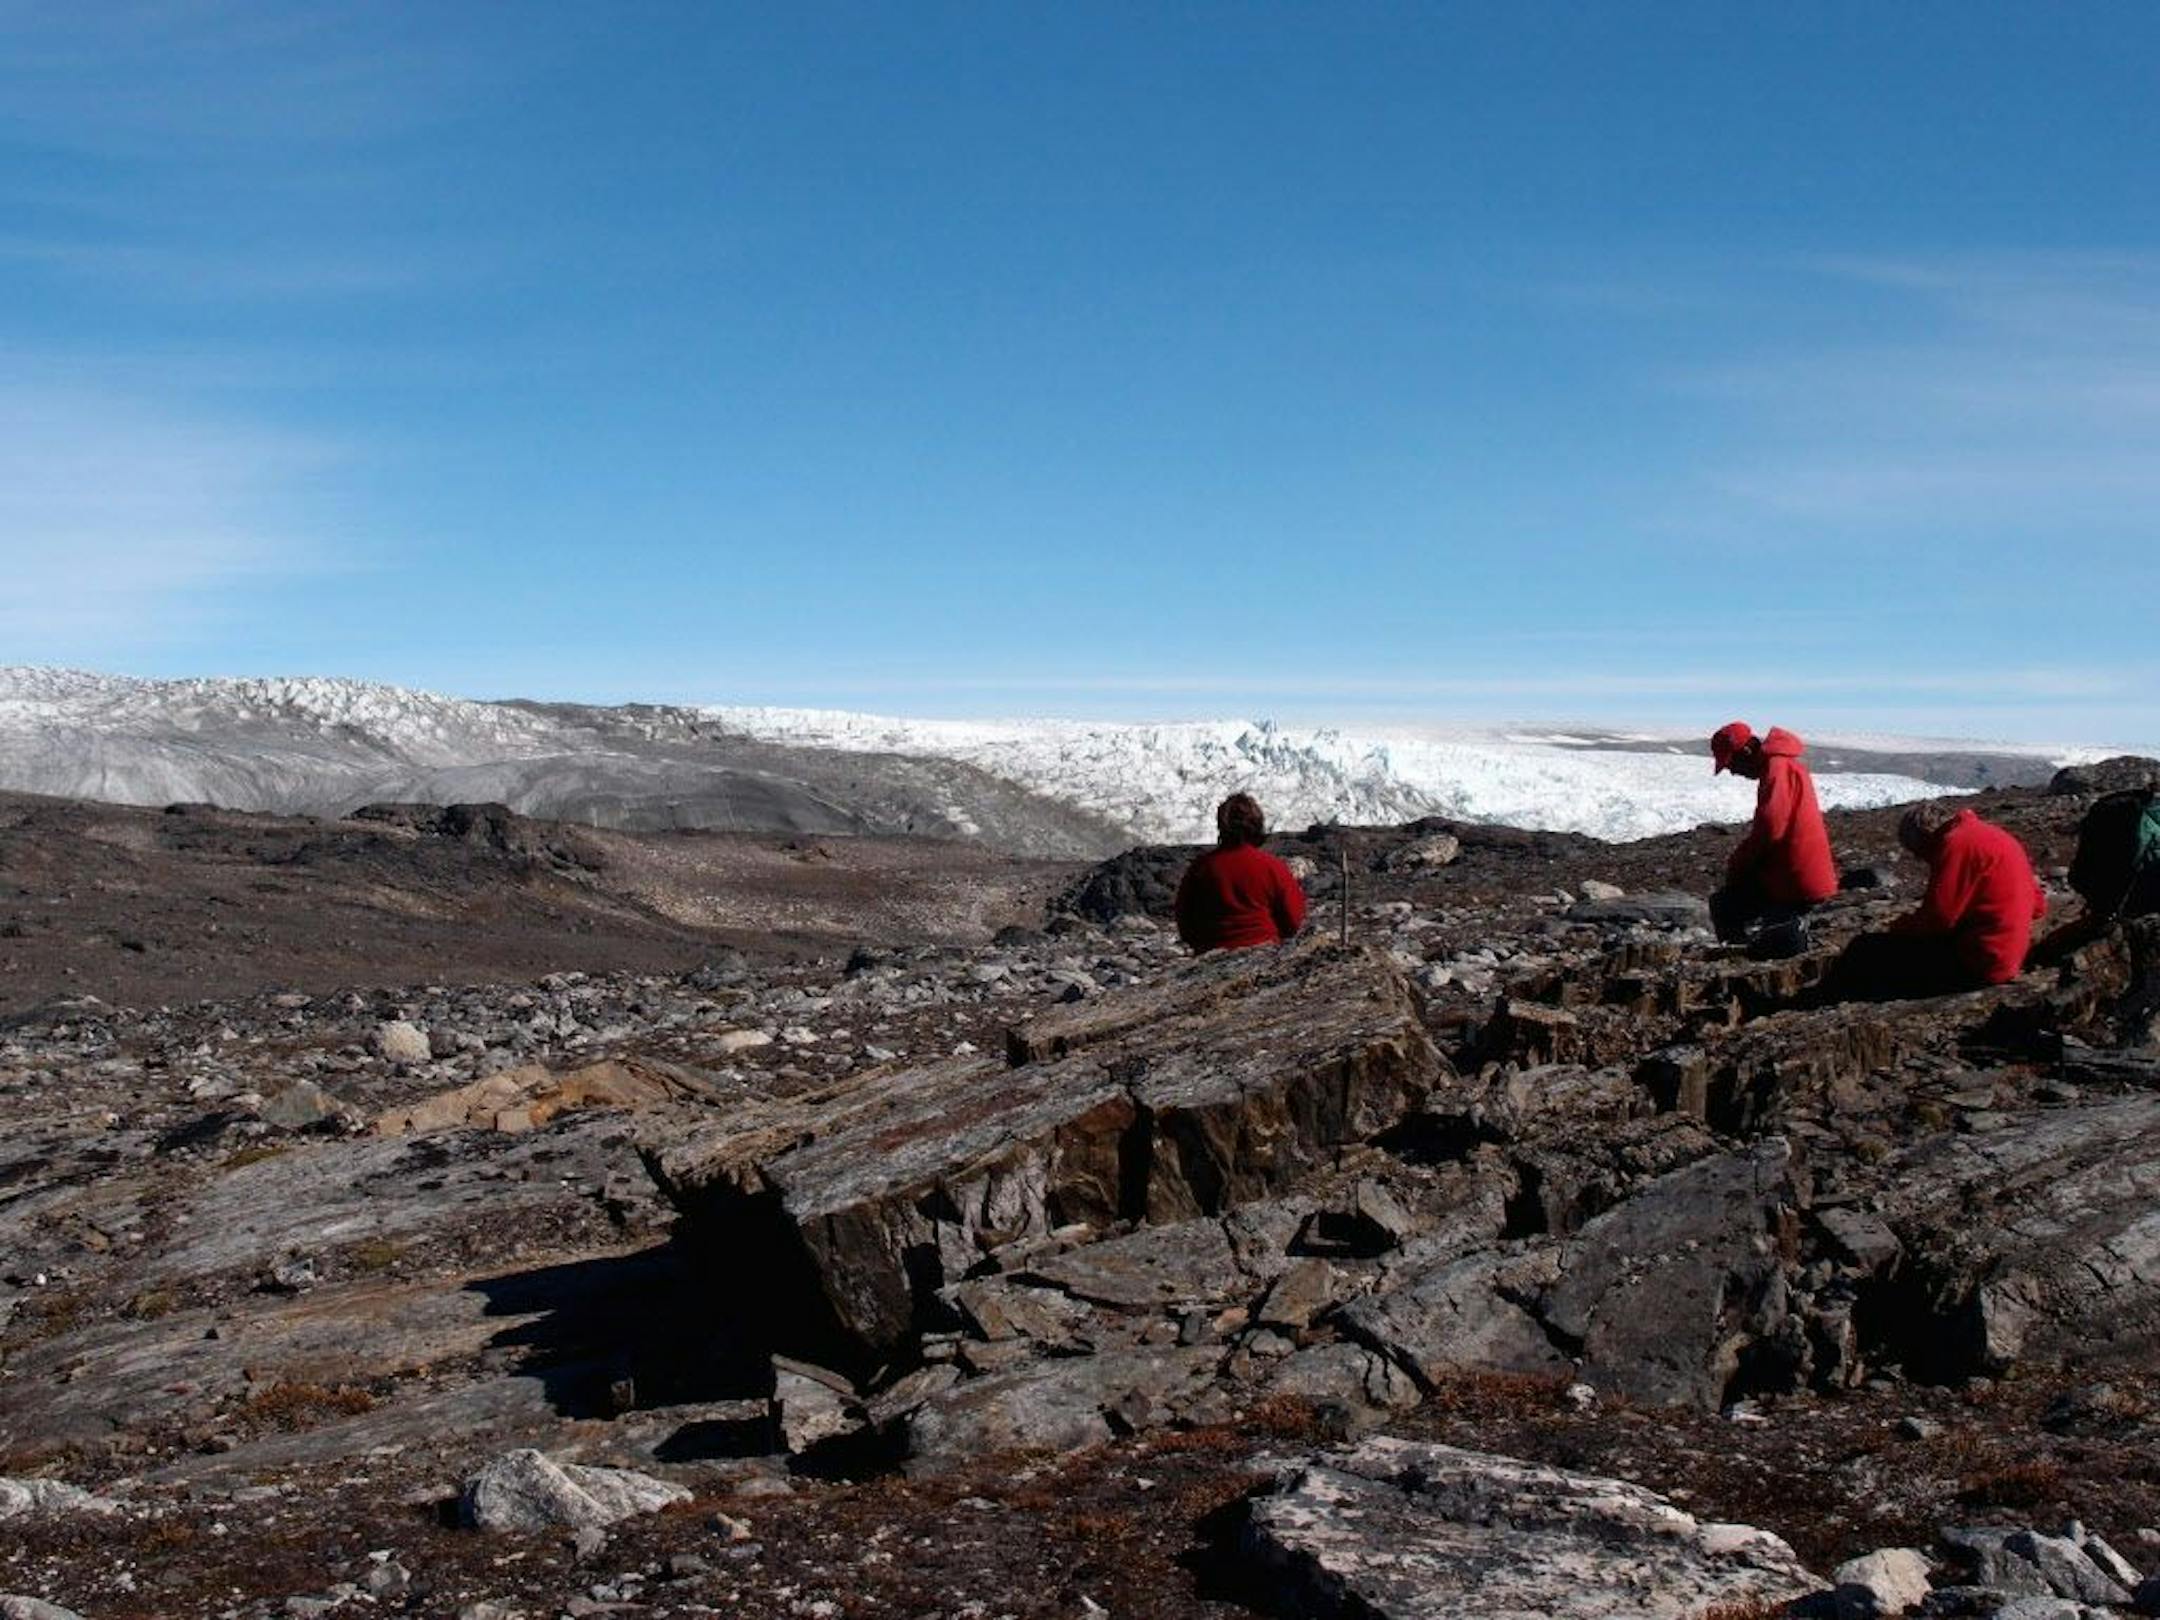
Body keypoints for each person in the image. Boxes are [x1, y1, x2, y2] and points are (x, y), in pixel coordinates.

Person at [1822, 800, 2047, 999]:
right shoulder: (1995, 835)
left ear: (1924, 839)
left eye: (1919, 853)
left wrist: (1900, 927)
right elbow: (2038, 906)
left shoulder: (1956, 844)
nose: (1923, 860)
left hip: (1982, 961)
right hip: (2009, 954)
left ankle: (1828, 999)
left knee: (1866, 949)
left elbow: (1939, 919)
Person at [1707, 721, 1838, 944]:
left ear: (1746, 750)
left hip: (1794, 878)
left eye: (1732, 764)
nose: (1734, 772)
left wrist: (1739, 863)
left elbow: (1771, 827)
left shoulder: (1777, 768)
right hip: (1796, 873)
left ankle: (1740, 952)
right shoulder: (1781, 765)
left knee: (1726, 907)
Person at [1174, 793, 1307, 953]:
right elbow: (1293, 921)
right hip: (1264, 950)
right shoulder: (1273, 867)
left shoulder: (1201, 868)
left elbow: (1185, 923)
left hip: (1211, 953)